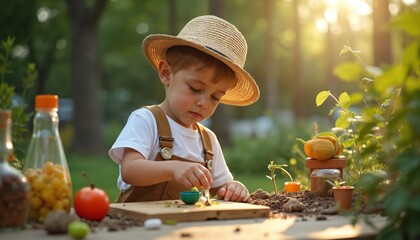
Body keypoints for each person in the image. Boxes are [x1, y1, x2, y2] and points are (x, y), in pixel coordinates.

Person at [109, 15, 260, 203]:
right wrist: (173, 168)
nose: (204, 103)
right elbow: (130, 170)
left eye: (215, 97)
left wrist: (232, 188)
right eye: (195, 88)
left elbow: (219, 187)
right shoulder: (146, 120)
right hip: (137, 226)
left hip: (184, 228)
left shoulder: (208, 141)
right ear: (166, 74)